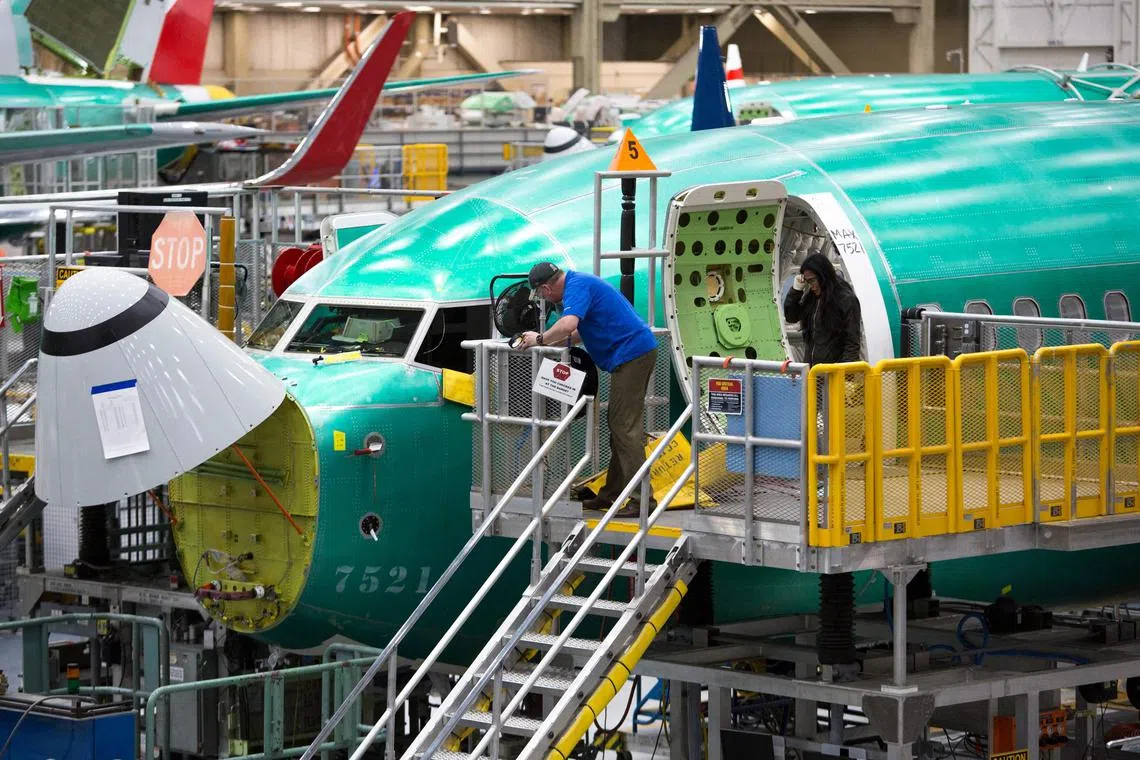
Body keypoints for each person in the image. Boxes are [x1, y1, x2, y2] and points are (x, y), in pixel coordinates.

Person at [515, 262, 658, 517]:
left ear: (546, 288)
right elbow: (579, 332)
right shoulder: (580, 283)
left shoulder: (576, 286)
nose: (544, 299)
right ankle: (612, 494)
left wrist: (538, 339)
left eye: (541, 294)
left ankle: (642, 500)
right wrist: (547, 340)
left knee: (624, 427)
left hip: (633, 355)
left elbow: (569, 324)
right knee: (618, 426)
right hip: (630, 355)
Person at [783, 253, 862, 365]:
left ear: (823, 276)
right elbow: (791, 317)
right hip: (813, 372)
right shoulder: (812, 298)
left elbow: (852, 343)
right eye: (807, 282)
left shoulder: (846, 300)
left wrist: (843, 375)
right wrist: (796, 290)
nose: (811, 286)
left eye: (812, 280)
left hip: (834, 373)